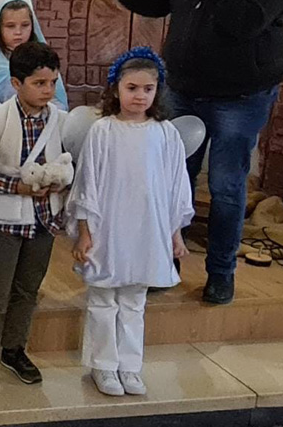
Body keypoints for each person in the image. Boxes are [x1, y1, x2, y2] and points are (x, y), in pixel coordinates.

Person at [98, 0, 283, 306]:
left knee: (225, 186)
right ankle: (162, 263)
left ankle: (220, 273)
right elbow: (160, 2)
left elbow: (244, 21)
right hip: (184, 89)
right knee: (172, 180)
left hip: (238, 97)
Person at [69, 48, 193, 397]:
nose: (140, 96)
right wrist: (84, 231)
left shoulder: (165, 133)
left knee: (135, 301)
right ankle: (103, 366)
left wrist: (175, 231)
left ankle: (130, 366)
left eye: (148, 89)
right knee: (104, 298)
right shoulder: (103, 131)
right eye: (132, 88)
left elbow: (175, 186)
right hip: (109, 227)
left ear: (158, 91)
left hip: (147, 230)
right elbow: (87, 184)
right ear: (116, 89)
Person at [0, 41, 70, 392]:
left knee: (28, 289)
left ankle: (14, 348)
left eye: (52, 83)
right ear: (16, 83)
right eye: (39, 83)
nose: (48, 90)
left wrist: (61, 182)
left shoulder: (62, 121)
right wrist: (17, 187)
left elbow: (70, 162)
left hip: (44, 219)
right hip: (4, 220)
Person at [0, 0, 68, 112]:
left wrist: (37, 115)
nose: (18, 32)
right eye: (10, 26)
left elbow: (58, 103)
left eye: (25, 25)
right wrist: (18, 116)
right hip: (1, 125)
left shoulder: (43, 58)